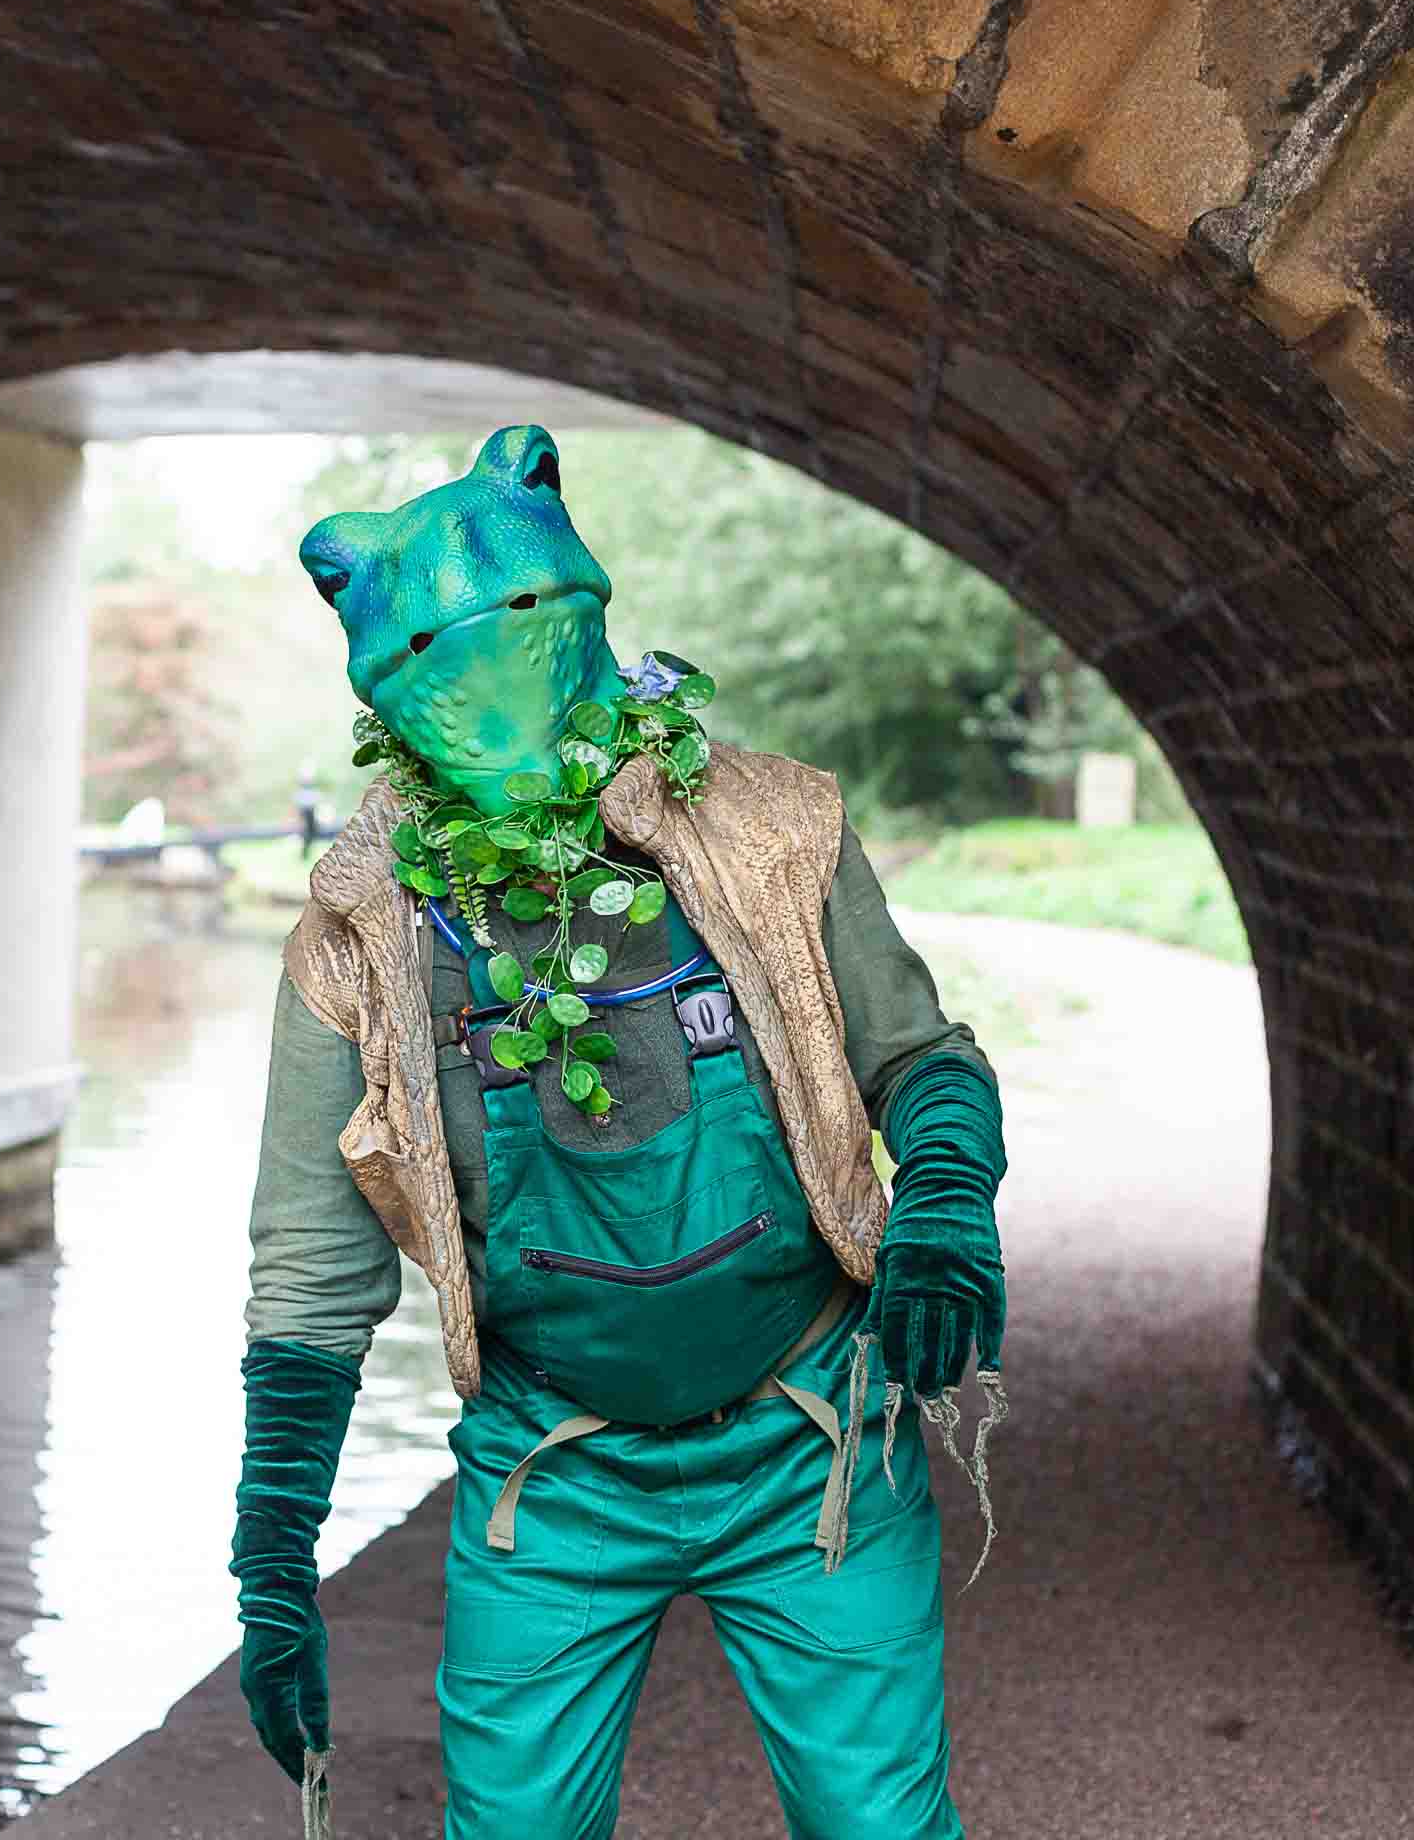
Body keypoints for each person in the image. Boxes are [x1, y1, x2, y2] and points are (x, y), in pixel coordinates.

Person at [232, 425, 1012, 1838]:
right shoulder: (358, 943)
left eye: (526, 646)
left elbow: (921, 1057)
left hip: (811, 1443)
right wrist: (273, 1562)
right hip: (554, 1479)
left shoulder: (768, 829)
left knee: (881, 1824)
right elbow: (311, 1270)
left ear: (583, 618)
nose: (504, 706)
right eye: (457, 682)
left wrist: (946, 1200)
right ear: (393, 702)